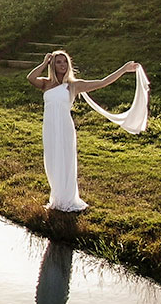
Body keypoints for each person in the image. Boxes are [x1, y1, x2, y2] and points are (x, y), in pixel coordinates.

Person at [26, 51, 144, 212]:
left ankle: (67, 198)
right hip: (50, 127)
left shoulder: (74, 85)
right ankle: (57, 196)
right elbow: (30, 78)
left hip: (65, 127)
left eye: (65, 62)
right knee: (52, 161)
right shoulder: (45, 83)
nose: (62, 65)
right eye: (58, 62)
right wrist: (44, 62)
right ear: (52, 65)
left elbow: (103, 82)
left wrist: (123, 69)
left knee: (66, 161)